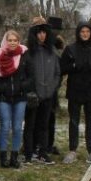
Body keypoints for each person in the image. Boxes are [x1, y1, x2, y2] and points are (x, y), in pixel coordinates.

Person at [60, 22, 91, 164]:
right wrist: (73, 66)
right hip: (75, 91)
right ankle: (72, 150)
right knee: (73, 121)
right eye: (82, 32)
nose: (85, 34)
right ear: (78, 33)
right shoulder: (70, 49)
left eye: (87, 31)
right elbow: (62, 68)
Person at [0, 30, 33, 169]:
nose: (12, 42)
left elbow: (32, 76)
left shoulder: (25, 55)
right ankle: (3, 157)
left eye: (15, 40)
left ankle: (14, 157)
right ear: (6, 41)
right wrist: (2, 88)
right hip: (3, 97)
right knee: (5, 126)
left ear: (19, 41)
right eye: (10, 40)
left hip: (20, 97)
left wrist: (22, 86)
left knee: (18, 128)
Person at [23, 18, 61, 165]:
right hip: (33, 95)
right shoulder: (28, 53)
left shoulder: (52, 52)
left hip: (48, 95)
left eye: (44, 33)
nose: (42, 36)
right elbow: (24, 74)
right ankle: (28, 152)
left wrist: (52, 88)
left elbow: (57, 73)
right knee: (30, 125)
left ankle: (43, 152)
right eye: (39, 33)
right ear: (34, 34)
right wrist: (29, 90)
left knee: (44, 125)